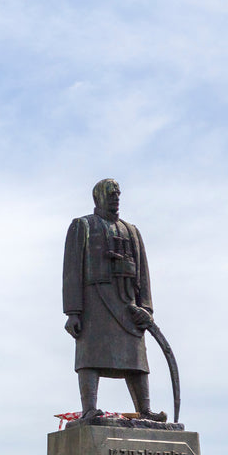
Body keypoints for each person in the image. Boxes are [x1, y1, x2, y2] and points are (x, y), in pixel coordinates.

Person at [62, 179, 166, 421]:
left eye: (118, 193)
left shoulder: (132, 231)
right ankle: (90, 408)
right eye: (110, 193)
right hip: (96, 301)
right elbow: (72, 271)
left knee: (136, 358)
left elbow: (143, 273)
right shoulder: (83, 226)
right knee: (90, 355)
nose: (115, 197)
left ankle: (145, 410)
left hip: (128, 303)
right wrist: (73, 312)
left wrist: (146, 308)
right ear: (98, 197)